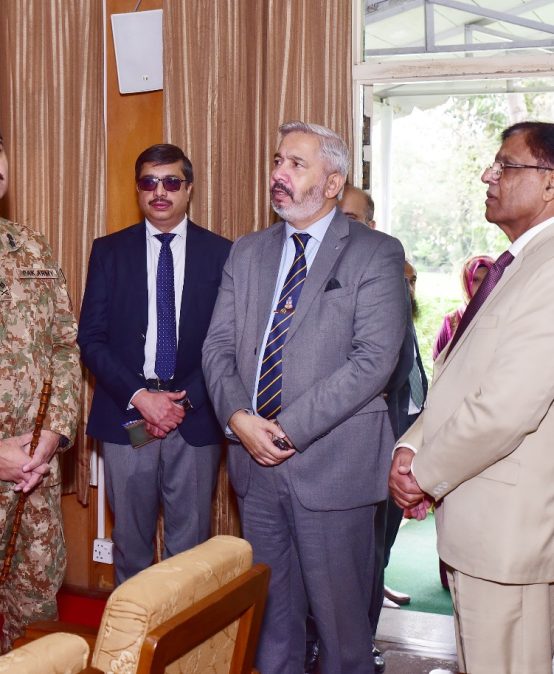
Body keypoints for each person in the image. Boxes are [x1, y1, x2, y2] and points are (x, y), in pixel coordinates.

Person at [203, 121, 407, 674]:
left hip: (333, 469)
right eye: (277, 160)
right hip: (253, 466)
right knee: (272, 628)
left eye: (296, 164)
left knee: (342, 635)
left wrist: (286, 429)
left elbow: (373, 361)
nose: (279, 173)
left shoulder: (375, 252)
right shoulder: (247, 252)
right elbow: (217, 347)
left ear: (333, 182)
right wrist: (239, 418)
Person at [389, 121, 554, 674]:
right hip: (481, 528)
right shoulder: (520, 263)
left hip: (509, 536)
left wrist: (423, 472)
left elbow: (507, 407)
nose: (488, 175)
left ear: (550, 182)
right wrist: (411, 446)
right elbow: (461, 379)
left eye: (506, 165)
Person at [78, 144, 231, 584]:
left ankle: (183, 632)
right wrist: (142, 397)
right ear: (138, 189)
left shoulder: (222, 253)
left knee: (191, 549)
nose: (159, 191)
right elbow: (91, 338)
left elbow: (228, 341)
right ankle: (133, 628)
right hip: (127, 415)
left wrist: (182, 401)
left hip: (194, 415)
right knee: (131, 544)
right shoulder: (109, 251)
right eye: (149, 182)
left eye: (171, 182)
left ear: (189, 188)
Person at [0, 131, 81, 651]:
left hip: (34, 480)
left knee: (34, 620)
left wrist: (53, 435)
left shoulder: (30, 246)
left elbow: (64, 346)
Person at [432, 254, 494, 359]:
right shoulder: (451, 321)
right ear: (466, 283)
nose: (482, 285)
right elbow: (438, 361)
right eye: (475, 280)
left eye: (487, 279)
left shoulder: (506, 313)